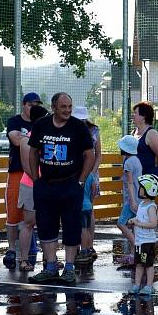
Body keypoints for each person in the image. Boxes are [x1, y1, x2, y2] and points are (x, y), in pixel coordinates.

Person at [26, 92, 95, 285]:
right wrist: (35, 178)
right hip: (46, 185)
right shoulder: (41, 125)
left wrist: (81, 181)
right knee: (46, 226)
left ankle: (70, 268)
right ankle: (50, 267)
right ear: (54, 107)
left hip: (70, 184)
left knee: (72, 226)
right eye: (63, 107)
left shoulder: (78, 127)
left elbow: (90, 155)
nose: (67, 110)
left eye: (69, 107)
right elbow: (33, 152)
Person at [3, 92, 43, 269]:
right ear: (24, 104)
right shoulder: (15, 121)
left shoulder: (41, 123)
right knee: (14, 212)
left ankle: (33, 252)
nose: (34, 107)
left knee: (35, 216)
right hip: (19, 172)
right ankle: (12, 249)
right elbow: (16, 140)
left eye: (37, 105)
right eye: (31, 104)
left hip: (40, 175)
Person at [16, 104, 49, 271]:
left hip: (43, 184)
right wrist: (38, 181)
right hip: (32, 185)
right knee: (28, 223)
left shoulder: (46, 137)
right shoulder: (27, 140)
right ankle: (23, 259)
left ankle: (48, 259)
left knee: (47, 223)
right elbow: (27, 166)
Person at [73, 106, 101, 265]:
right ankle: (83, 247)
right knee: (82, 211)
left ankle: (88, 247)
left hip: (90, 174)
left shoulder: (95, 131)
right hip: (77, 172)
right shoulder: (72, 129)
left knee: (88, 209)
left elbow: (98, 155)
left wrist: (92, 172)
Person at [128, 174, 158, 295]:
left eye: (142, 187)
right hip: (139, 241)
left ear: (149, 190)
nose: (139, 189)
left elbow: (153, 223)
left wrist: (139, 223)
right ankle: (137, 285)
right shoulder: (142, 204)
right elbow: (139, 218)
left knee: (148, 264)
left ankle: (149, 286)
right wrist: (133, 221)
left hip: (147, 241)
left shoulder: (151, 206)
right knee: (139, 264)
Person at [116, 135, 142, 264]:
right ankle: (133, 256)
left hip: (131, 200)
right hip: (139, 198)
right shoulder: (136, 160)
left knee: (121, 223)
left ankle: (137, 247)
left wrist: (131, 200)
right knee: (134, 227)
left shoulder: (128, 162)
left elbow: (130, 183)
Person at [132, 101, 158, 178]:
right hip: (134, 179)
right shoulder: (133, 132)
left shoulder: (151, 133)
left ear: (143, 116)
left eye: (135, 113)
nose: (133, 115)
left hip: (148, 179)